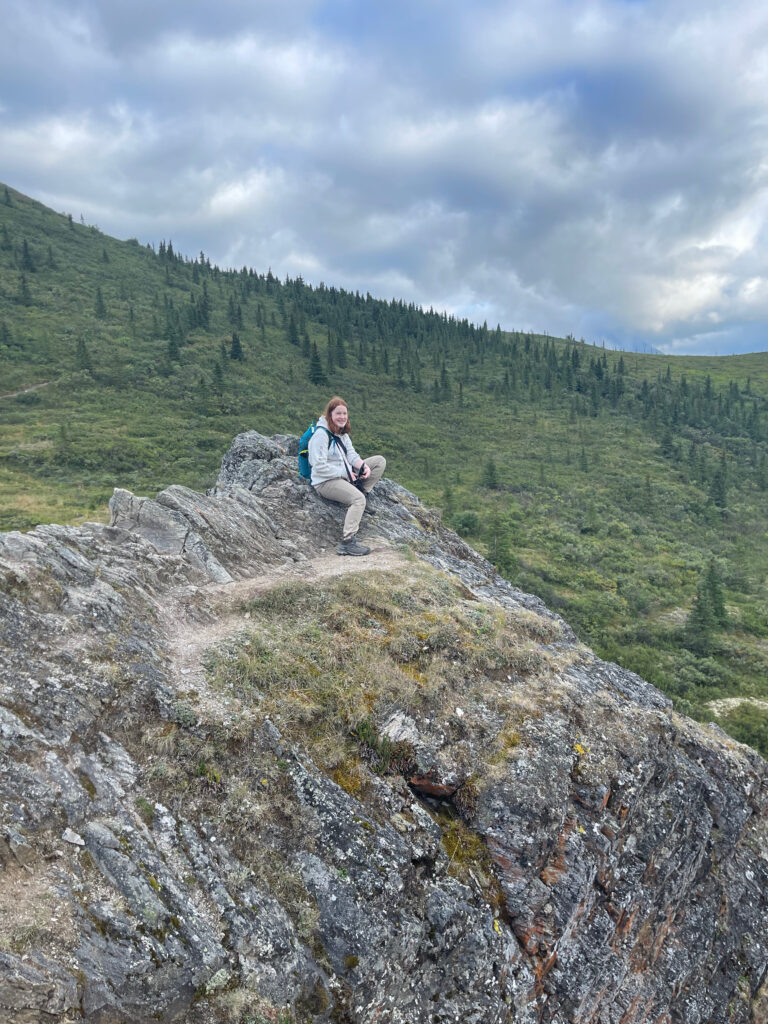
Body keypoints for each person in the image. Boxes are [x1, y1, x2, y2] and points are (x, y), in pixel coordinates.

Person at [308, 396, 386, 556]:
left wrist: (362, 466)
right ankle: (348, 541)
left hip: (343, 474)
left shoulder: (341, 433)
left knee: (379, 461)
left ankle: (360, 492)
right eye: (338, 413)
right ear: (330, 414)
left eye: (344, 413)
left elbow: (351, 455)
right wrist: (344, 473)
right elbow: (319, 466)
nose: (342, 417)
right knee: (358, 500)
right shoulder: (321, 436)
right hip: (325, 481)